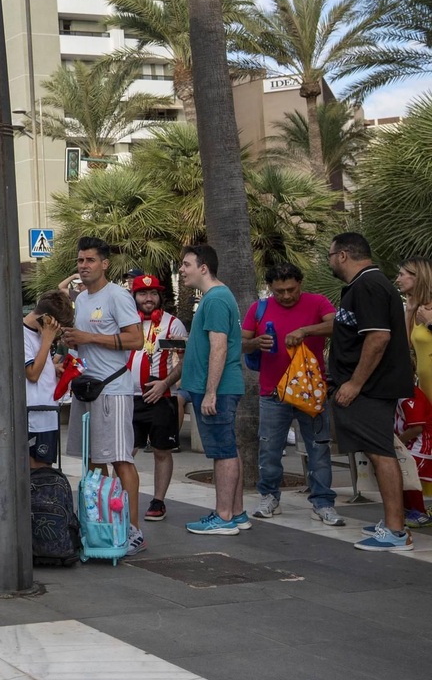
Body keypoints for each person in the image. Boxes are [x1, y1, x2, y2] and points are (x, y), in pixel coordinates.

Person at [327, 234, 416, 551]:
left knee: (381, 454)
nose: (329, 260)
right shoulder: (362, 286)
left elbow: (377, 338)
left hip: (371, 389)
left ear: (344, 255)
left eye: (331, 254)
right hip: (367, 387)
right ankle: (393, 522)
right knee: (378, 453)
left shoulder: (369, 285)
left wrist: (354, 383)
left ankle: (395, 530)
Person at [61, 237, 146, 555]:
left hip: (113, 389)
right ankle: (101, 526)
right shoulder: (81, 299)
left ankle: (133, 530)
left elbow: (136, 340)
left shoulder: (118, 296)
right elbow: (85, 343)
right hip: (86, 388)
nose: (83, 266)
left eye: (90, 260)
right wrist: (72, 342)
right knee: (94, 461)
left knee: (121, 459)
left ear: (105, 264)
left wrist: (88, 337)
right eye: (80, 260)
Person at [240, 263, 340, 525]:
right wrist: (254, 344)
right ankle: (269, 497)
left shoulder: (317, 303)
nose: (285, 296)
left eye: (291, 290)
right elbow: (240, 343)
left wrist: (306, 330)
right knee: (270, 448)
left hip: (310, 392)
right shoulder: (258, 308)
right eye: (279, 291)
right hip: (272, 392)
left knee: (319, 448)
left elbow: (337, 326)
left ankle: (323, 503)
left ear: (300, 283)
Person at [176, 245, 249, 537]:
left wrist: (210, 393)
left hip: (218, 390)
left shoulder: (216, 299)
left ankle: (224, 516)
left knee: (223, 452)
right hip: (216, 389)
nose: (181, 270)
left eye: (186, 264)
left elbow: (219, 347)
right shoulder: (214, 297)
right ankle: (237, 512)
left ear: (203, 268)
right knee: (228, 448)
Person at [127, 274, 188, 523]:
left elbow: (184, 361)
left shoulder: (173, 324)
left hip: (162, 397)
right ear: (135, 296)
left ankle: (158, 501)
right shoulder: (126, 323)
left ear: (160, 296)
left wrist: (164, 383)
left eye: (153, 294)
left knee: (162, 451)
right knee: (125, 451)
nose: (148, 298)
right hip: (129, 397)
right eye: (143, 293)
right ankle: (122, 497)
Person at [397, 256, 432, 521]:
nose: (398, 279)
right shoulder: (416, 307)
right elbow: (404, 348)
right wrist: (410, 312)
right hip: (426, 387)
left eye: (402, 274)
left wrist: (430, 322)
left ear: (417, 276)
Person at [25, 291, 75, 468]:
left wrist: (52, 369)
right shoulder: (23, 335)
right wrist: (47, 340)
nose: (58, 331)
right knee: (37, 473)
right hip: (34, 418)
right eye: (57, 326)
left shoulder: (39, 334)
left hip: (47, 414)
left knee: (46, 471)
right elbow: (31, 374)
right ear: (47, 319)